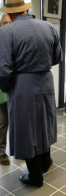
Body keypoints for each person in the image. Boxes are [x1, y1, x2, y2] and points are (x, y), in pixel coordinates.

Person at [0, 0, 63, 187]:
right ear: (27, 9)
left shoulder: (6, 32)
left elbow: (3, 68)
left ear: (10, 14)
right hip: (45, 81)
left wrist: (6, 88)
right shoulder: (49, 27)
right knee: (44, 122)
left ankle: (35, 176)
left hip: (22, 84)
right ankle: (46, 162)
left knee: (26, 128)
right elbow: (56, 58)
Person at [0, 13, 11, 165]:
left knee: (15, 121)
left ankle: (19, 150)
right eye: (4, 22)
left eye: (10, 21)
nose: (7, 24)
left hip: (15, 88)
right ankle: (1, 152)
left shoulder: (15, 39)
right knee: (3, 121)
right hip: (1, 89)